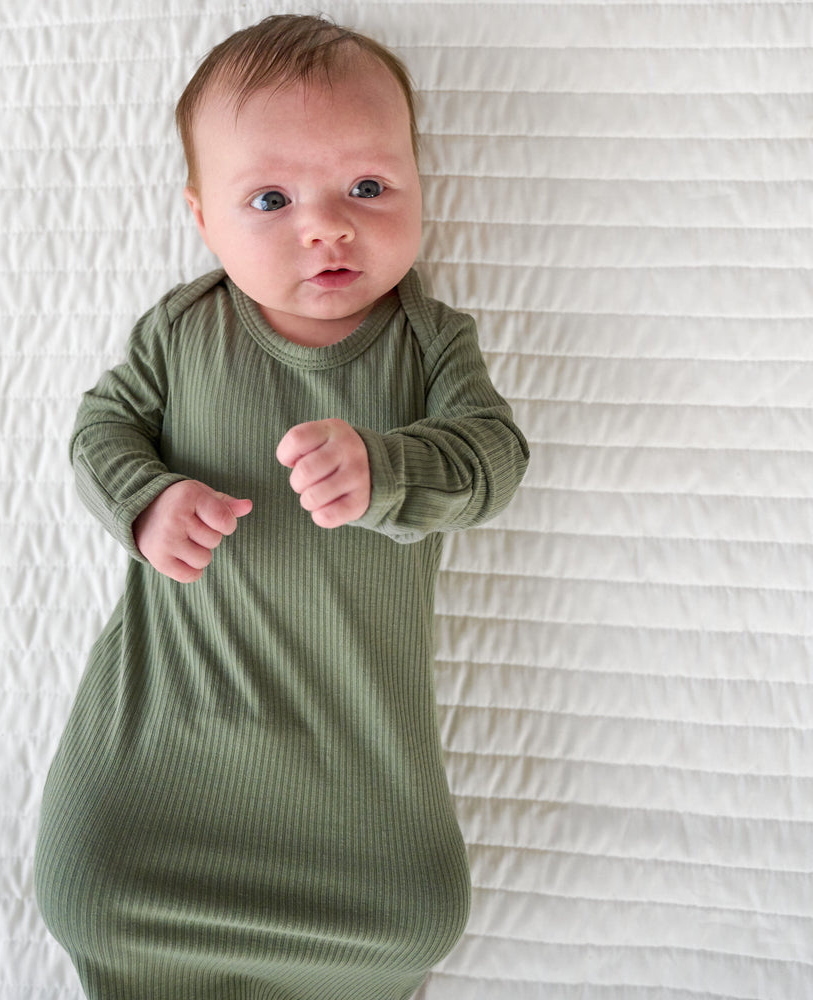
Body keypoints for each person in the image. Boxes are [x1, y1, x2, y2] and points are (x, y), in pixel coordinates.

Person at [34, 13, 529, 1000]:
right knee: (91, 895)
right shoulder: (182, 330)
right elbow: (98, 432)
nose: (326, 224)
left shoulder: (428, 343)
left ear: (420, 188)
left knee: (413, 918)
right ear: (204, 219)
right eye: (270, 197)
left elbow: (492, 457)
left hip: (359, 818)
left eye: (369, 187)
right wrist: (146, 499)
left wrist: (387, 468)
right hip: (155, 787)